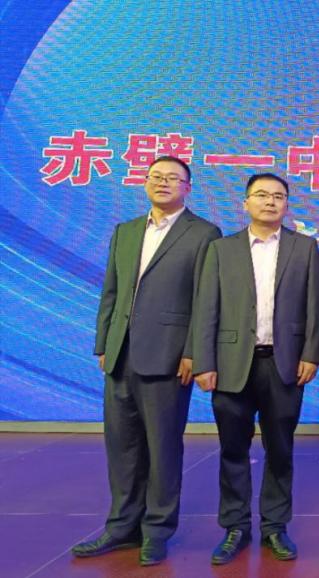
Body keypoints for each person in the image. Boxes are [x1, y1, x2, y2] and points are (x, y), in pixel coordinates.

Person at [75, 156, 221, 566]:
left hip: (170, 357)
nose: (163, 183)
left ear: (187, 188)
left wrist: (193, 351)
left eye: (174, 178)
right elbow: (111, 291)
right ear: (144, 182)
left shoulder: (204, 233)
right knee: (122, 447)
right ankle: (122, 526)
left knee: (162, 448)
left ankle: (156, 530)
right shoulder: (125, 231)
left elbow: (205, 299)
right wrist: (104, 342)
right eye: (156, 176)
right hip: (120, 355)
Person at [192, 172, 319, 565]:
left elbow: (315, 306)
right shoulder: (222, 249)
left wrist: (311, 355)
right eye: (262, 195)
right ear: (245, 203)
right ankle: (235, 526)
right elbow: (206, 309)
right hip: (231, 365)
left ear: (287, 205)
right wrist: (204, 362)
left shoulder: (304, 247)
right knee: (233, 449)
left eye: (278, 196)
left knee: (280, 449)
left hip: (284, 365)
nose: (270, 202)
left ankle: (275, 527)